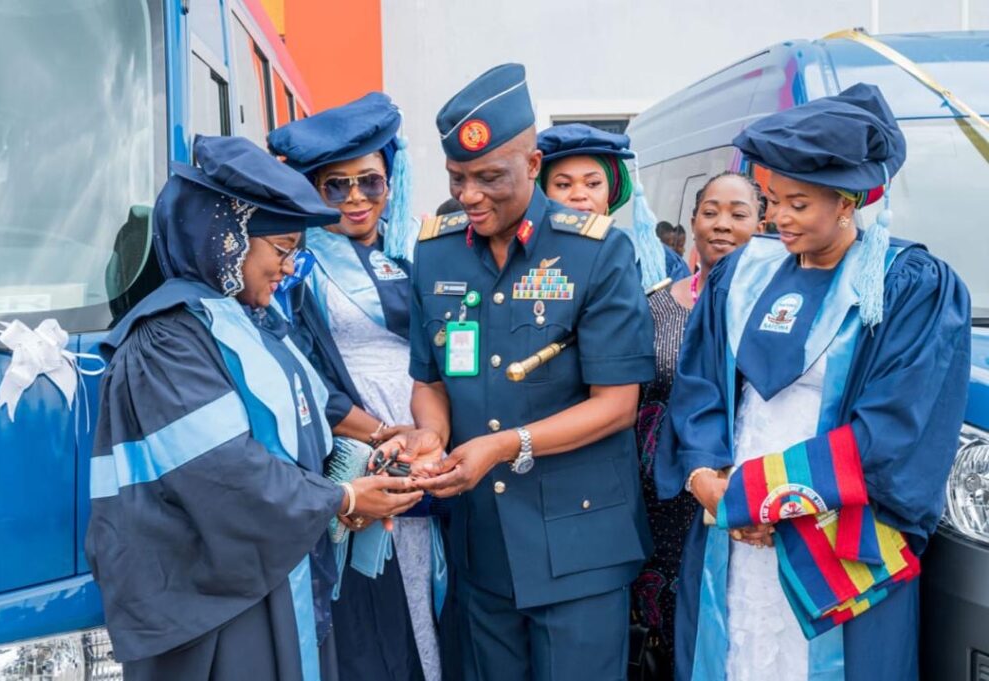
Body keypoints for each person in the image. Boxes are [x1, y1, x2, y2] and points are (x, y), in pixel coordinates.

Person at [655, 84, 971, 680]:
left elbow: (894, 430)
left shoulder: (905, 285)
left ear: (846, 202)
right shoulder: (742, 274)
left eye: (798, 204)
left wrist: (759, 498)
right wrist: (706, 480)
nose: (777, 219)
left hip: (835, 532)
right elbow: (700, 389)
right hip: (734, 531)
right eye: (772, 201)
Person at [85, 135, 422, 681]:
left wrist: (370, 458)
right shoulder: (169, 339)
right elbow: (220, 472)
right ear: (228, 241)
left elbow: (305, 427)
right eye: (282, 249)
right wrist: (341, 497)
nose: (289, 268)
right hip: (211, 597)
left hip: (272, 569)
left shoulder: (252, 321)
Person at [383, 63, 655, 681]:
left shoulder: (596, 252)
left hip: (580, 543)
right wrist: (431, 434)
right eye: (457, 178)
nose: (470, 195)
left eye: (489, 177)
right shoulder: (436, 252)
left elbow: (616, 405)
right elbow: (430, 382)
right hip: (483, 543)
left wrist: (505, 445)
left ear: (533, 165)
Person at [268, 92, 444, 681]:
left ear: (390, 182)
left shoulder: (420, 250)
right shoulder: (299, 267)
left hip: (429, 447)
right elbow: (301, 373)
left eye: (369, 182)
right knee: (372, 612)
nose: (355, 199)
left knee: (429, 593)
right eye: (335, 186)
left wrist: (429, 434)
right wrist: (382, 436)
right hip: (356, 450)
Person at [629, 171, 766, 675]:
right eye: (710, 212)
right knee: (662, 633)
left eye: (738, 214)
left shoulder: (775, 313)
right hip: (662, 497)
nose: (722, 224)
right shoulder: (657, 305)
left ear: (763, 226)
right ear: (692, 223)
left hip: (739, 492)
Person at [536, 123, 689, 286]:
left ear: (612, 190)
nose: (579, 195)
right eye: (563, 185)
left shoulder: (652, 259)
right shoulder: (524, 256)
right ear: (543, 191)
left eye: (593, 183)